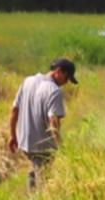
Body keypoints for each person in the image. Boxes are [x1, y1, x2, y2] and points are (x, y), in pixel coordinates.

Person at [8, 58, 77, 192]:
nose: (66, 82)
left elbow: (14, 110)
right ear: (58, 71)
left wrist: (12, 135)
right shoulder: (54, 91)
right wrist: (60, 148)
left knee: (35, 167)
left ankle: (31, 198)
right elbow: (53, 122)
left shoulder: (28, 81)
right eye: (67, 77)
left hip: (25, 143)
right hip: (42, 146)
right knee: (44, 181)